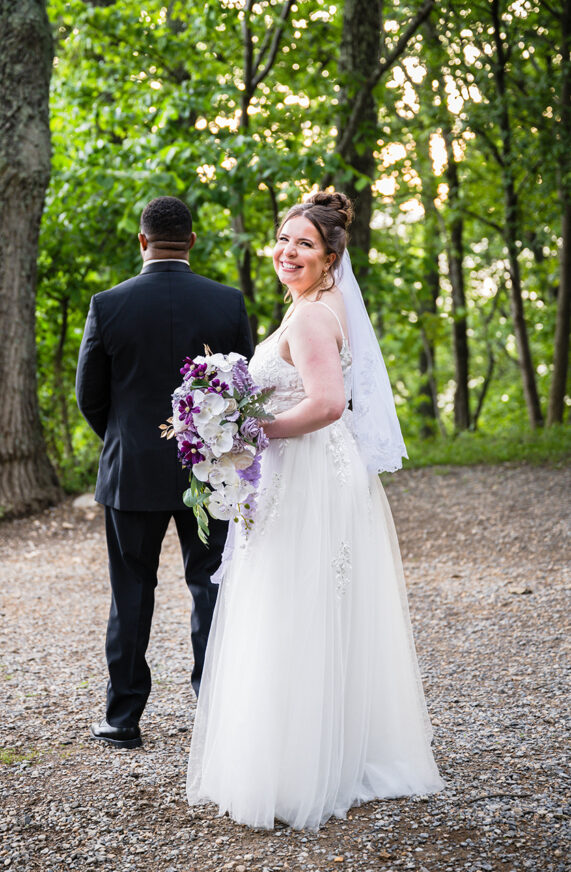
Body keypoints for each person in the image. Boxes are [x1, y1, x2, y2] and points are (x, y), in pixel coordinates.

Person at [187, 190, 444, 829]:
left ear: (330, 256)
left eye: (304, 244)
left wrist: (252, 431)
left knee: (292, 604)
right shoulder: (320, 308)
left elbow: (328, 403)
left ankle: (298, 769)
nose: (288, 252)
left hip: (307, 472)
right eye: (283, 240)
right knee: (310, 606)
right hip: (310, 469)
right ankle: (332, 750)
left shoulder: (308, 318)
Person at [76, 196, 253, 749]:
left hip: (131, 475)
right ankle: (215, 706)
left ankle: (122, 718)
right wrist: (206, 443)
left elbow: (90, 396)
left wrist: (127, 442)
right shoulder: (227, 303)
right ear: (193, 241)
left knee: (131, 591)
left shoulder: (108, 305)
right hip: (209, 469)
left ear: (142, 240)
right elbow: (244, 390)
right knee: (211, 586)